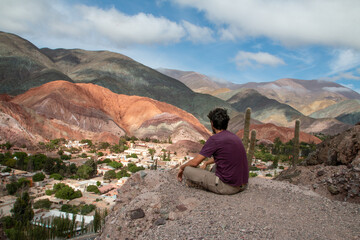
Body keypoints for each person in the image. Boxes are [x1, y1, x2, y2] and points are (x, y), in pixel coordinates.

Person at [177, 108, 248, 195]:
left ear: (212, 123)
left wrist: (181, 168)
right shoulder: (234, 137)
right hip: (242, 185)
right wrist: (206, 163)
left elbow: (195, 163)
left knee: (187, 170)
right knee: (215, 166)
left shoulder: (215, 139)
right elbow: (225, 157)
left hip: (228, 187)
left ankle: (200, 185)